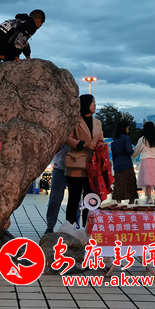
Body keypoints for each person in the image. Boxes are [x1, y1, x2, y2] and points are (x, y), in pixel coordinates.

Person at [64, 94, 104, 228]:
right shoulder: (75, 122)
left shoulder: (98, 123)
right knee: (74, 199)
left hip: (93, 167)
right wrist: (84, 144)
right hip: (76, 165)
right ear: (86, 104)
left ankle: (88, 228)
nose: (95, 105)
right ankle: (70, 228)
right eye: (93, 103)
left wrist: (102, 146)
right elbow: (66, 138)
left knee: (91, 200)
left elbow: (101, 140)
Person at [132, 121, 155, 205]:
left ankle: (149, 199)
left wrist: (132, 155)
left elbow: (136, 151)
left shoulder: (142, 140)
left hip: (146, 161)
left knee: (148, 181)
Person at [44, 144, 70, 234]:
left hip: (77, 167)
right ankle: (50, 225)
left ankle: (73, 225)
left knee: (75, 200)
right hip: (59, 166)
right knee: (55, 198)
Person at [111, 121, 139, 203]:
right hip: (126, 163)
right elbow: (129, 151)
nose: (128, 130)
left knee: (119, 183)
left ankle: (119, 201)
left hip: (117, 163)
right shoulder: (126, 138)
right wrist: (133, 151)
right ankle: (131, 200)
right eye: (128, 128)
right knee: (130, 182)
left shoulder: (114, 139)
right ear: (124, 128)